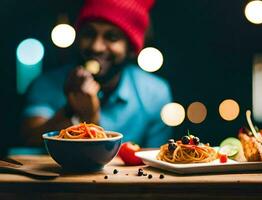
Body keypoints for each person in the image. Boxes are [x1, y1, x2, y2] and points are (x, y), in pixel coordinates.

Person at [21, 0, 172, 148]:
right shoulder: (47, 83)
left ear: (131, 49)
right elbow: (30, 138)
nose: (96, 47)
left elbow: (154, 158)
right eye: (89, 34)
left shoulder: (155, 93)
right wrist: (70, 109)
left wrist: (91, 117)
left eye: (111, 37)